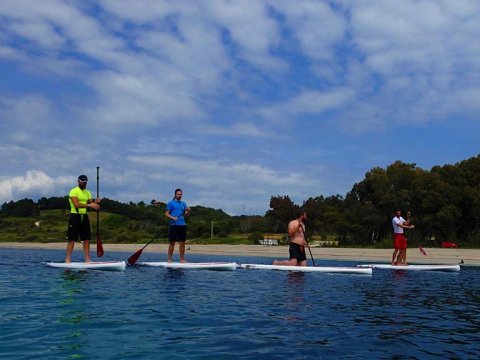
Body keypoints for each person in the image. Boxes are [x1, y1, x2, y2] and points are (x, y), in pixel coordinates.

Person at [65, 175, 100, 263]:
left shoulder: (88, 192)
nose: (84, 183)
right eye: (82, 182)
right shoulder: (73, 191)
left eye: (85, 182)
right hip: (74, 216)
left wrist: (96, 202)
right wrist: (89, 205)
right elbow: (76, 204)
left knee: (86, 239)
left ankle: (87, 260)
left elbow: (91, 204)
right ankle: (67, 260)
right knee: (72, 239)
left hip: (84, 216)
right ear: (78, 181)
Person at [164, 188, 190, 263]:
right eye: (178, 194)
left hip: (182, 224)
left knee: (182, 243)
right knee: (172, 242)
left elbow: (186, 215)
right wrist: (172, 217)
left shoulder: (183, 203)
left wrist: (188, 210)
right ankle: (169, 259)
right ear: (175, 195)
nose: (179, 195)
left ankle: (182, 259)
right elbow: (166, 213)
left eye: (181, 194)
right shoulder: (170, 203)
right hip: (173, 224)